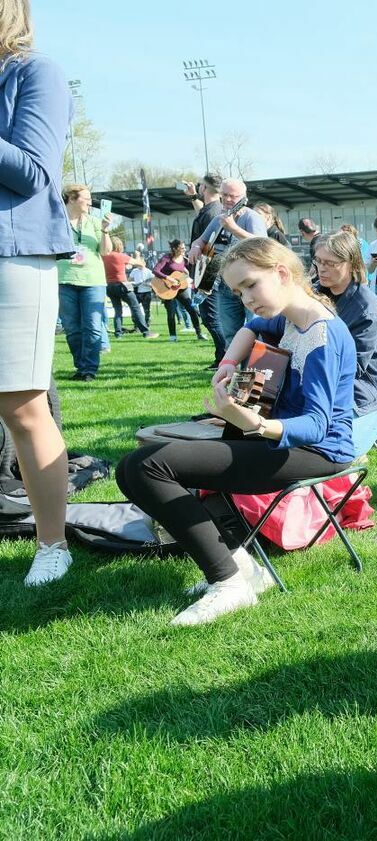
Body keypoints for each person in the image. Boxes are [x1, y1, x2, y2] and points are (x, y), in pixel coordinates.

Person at [115, 237, 356, 626]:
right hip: (276, 435)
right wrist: (229, 361)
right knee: (131, 466)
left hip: (317, 449)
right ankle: (240, 567)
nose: (246, 298)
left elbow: (317, 424)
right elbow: (253, 327)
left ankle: (228, 583)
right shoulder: (293, 314)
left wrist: (251, 422)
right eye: (238, 291)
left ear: (281, 273)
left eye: (250, 285)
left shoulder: (322, 335)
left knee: (148, 467)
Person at [0, 15, 75, 587]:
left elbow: (32, 173)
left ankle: (53, 545)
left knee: (23, 408)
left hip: (14, 258)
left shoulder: (36, 73)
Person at [312, 231, 377, 456]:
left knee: (334, 452)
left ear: (351, 264)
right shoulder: (314, 294)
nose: (322, 268)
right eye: (318, 261)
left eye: (330, 263)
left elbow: (353, 368)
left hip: (365, 388)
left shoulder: (366, 307)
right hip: (325, 377)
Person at [188, 177, 267, 350]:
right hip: (226, 284)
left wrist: (233, 228)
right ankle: (239, 373)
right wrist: (195, 247)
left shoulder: (251, 217)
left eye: (233, 196)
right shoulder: (219, 218)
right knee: (231, 334)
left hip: (251, 284)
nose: (228, 199)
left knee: (257, 331)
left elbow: (263, 243)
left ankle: (254, 373)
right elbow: (201, 240)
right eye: (225, 195)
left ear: (244, 197)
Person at [57, 183, 113, 381]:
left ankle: (89, 369)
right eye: (86, 198)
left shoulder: (95, 222)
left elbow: (106, 251)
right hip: (64, 279)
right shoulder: (57, 221)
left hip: (93, 280)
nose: (90, 202)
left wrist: (105, 230)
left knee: (92, 326)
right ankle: (80, 366)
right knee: (72, 327)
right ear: (72, 199)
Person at [183, 173, 226, 366]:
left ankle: (224, 356)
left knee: (210, 317)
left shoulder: (212, 212)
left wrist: (203, 279)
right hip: (207, 269)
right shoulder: (213, 209)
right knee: (210, 316)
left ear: (204, 188)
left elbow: (211, 246)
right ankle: (222, 355)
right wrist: (193, 197)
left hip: (208, 270)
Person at [152, 239, 206, 342]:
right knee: (171, 312)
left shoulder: (185, 260)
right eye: (182, 248)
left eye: (184, 247)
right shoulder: (167, 258)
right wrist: (169, 278)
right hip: (166, 289)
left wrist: (189, 272)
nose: (184, 249)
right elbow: (155, 270)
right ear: (175, 248)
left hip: (180, 288)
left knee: (192, 309)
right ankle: (173, 336)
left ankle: (199, 333)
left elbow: (189, 273)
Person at [103, 236, 154, 338]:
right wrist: (138, 256)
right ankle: (146, 332)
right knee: (135, 307)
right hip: (122, 285)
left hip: (109, 286)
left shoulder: (104, 256)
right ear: (119, 246)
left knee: (117, 310)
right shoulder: (121, 256)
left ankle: (118, 333)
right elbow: (140, 264)